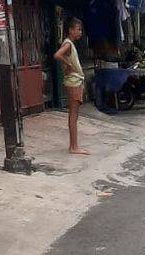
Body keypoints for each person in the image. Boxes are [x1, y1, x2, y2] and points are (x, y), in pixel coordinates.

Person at [54, 17, 88, 155]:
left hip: (75, 81)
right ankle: (74, 146)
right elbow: (57, 55)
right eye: (78, 29)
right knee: (73, 114)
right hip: (73, 81)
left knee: (74, 113)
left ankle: (74, 145)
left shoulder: (70, 44)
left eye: (80, 29)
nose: (80, 32)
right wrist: (68, 65)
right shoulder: (68, 44)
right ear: (70, 30)